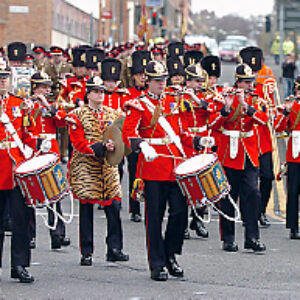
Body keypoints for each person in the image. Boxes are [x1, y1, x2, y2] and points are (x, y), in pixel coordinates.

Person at [122, 60, 213, 281]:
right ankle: (157, 263)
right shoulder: (138, 104)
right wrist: (142, 145)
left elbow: (180, 133)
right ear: (148, 82)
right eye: (156, 81)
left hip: (176, 165)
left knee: (180, 213)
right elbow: (128, 132)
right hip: (154, 166)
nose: (161, 85)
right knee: (154, 217)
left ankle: (171, 254)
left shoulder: (174, 101)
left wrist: (199, 140)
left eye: (163, 80)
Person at [67, 76, 129, 266]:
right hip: (86, 166)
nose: (100, 95)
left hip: (108, 167)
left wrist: (116, 146)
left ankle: (114, 248)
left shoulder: (113, 113)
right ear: (88, 94)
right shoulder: (77, 114)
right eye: (96, 91)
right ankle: (86, 251)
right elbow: (78, 143)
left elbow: (122, 135)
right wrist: (100, 148)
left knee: (114, 207)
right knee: (86, 209)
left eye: (102, 91)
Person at [210, 63, 267, 253]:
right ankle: (228, 238)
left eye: (250, 82)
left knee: (252, 194)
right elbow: (214, 124)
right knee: (228, 196)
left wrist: (246, 106)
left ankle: (252, 237)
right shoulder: (225, 97)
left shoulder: (255, 100)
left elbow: (264, 120)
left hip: (249, 153)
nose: (249, 86)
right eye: (245, 83)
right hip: (229, 153)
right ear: (238, 83)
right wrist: (226, 109)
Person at [0, 58, 45, 282]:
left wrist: (35, 145)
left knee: (22, 221)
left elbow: (28, 132)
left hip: (17, 169)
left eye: (5, 78)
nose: (2, 82)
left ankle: (19, 264)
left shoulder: (19, 103)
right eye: (0, 79)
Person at [29, 72, 71, 249]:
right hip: (33, 149)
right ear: (34, 88)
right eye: (43, 87)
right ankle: (29, 235)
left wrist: (47, 106)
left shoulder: (53, 106)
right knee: (30, 196)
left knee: (55, 194)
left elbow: (62, 122)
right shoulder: (27, 105)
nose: (47, 90)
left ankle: (58, 234)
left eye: (48, 87)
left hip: (51, 151)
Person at [240, 46, 275, 227]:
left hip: (263, 140)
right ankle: (249, 212)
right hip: (246, 142)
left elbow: (270, 113)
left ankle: (261, 210)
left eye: (255, 71)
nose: (253, 76)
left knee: (268, 177)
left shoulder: (265, 87)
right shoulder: (239, 88)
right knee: (247, 183)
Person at [122, 49, 151, 222]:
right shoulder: (128, 94)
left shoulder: (152, 95)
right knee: (134, 173)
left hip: (150, 139)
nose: (142, 78)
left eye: (144, 75)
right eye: (139, 74)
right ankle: (135, 208)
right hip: (134, 140)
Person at [274, 75, 300, 239]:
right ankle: (293, 226)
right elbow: (278, 127)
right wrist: (286, 112)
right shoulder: (291, 106)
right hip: (295, 155)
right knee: (293, 191)